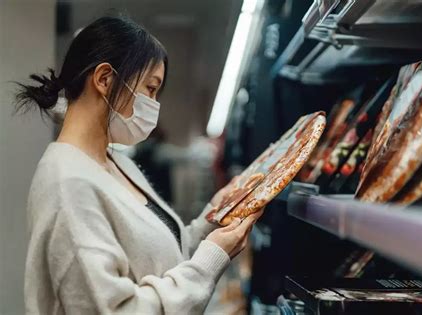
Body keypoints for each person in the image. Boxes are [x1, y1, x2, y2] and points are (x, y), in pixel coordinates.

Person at [16, 16, 262, 314]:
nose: (154, 105)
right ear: (104, 79)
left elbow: (158, 256)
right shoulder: (68, 184)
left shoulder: (113, 162)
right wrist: (212, 257)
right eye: (150, 88)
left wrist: (212, 220)